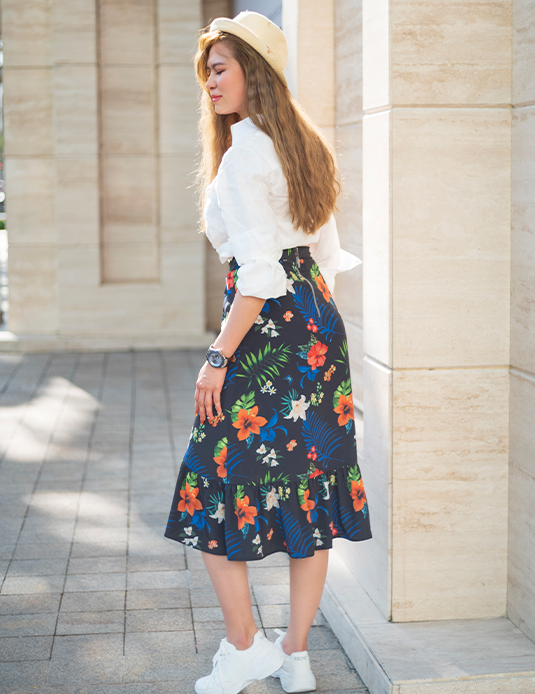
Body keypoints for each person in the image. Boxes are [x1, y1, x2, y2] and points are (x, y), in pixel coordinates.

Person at [164, 11, 372, 694]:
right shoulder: (305, 146)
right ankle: (297, 656)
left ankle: (244, 647)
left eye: (219, 69)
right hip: (316, 327)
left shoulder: (243, 156)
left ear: (253, 72)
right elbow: (324, 258)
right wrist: (309, 329)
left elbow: (257, 276)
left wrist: (218, 357)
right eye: (207, 72)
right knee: (310, 487)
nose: (210, 83)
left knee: (209, 484)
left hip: (264, 334)